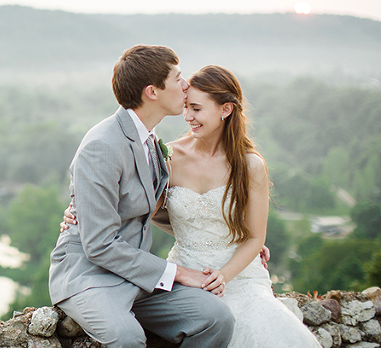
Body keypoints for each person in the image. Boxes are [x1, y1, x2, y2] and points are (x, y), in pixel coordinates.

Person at [62, 64, 321, 348]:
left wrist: (227, 267)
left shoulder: (250, 165)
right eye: (186, 107)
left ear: (225, 110)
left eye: (196, 109)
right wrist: (81, 214)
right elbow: (143, 208)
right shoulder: (168, 156)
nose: (188, 117)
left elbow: (255, 236)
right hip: (184, 269)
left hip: (239, 276)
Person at [48, 45, 235, 348]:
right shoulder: (103, 146)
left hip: (135, 277)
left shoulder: (150, 139)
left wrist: (232, 238)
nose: (186, 86)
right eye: (178, 78)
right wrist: (177, 273)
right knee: (127, 338)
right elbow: (98, 244)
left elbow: (153, 209)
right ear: (153, 92)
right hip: (89, 276)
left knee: (215, 319)